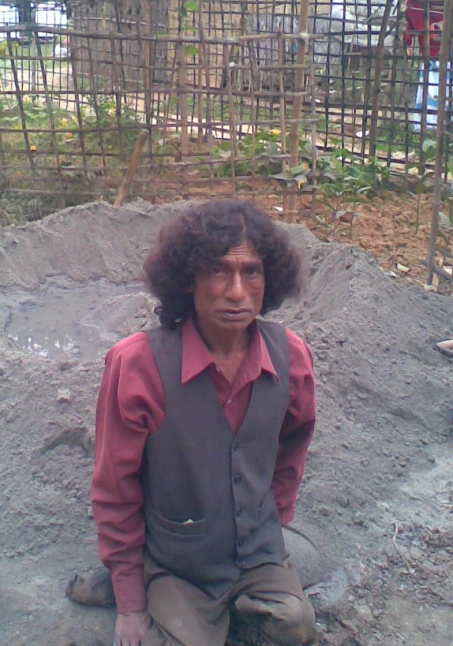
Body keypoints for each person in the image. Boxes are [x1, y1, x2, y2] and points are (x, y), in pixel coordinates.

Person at [85, 200, 318, 646]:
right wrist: (131, 603)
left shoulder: (292, 357)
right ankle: (127, 582)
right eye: (217, 271)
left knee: (295, 628)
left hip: (255, 553)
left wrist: (270, 519)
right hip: (178, 560)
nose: (236, 291)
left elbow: (294, 443)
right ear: (187, 279)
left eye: (251, 271)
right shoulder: (138, 364)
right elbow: (116, 487)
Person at [401, 0, 446, 130]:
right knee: (430, 90)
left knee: (446, 91)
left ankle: (444, 126)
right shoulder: (411, 3)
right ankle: (428, 128)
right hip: (429, 54)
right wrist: (407, 40)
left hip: (448, 51)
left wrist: (443, 24)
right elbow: (411, 25)